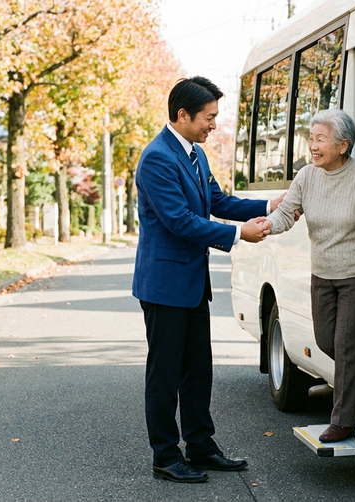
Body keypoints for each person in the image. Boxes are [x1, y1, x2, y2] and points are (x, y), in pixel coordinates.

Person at [133, 76, 282, 483]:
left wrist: (270, 203)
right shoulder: (158, 158)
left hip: (192, 283)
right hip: (164, 286)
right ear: (182, 115)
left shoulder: (194, 153)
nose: (213, 125)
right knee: (164, 375)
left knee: (198, 371)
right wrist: (238, 234)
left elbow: (217, 201)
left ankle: (200, 445)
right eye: (208, 117)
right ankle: (166, 455)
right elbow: (180, 221)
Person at [266, 109, 355, 444]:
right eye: (311, 138)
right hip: (322, 274)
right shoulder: (306, 177)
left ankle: (344, 419)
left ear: (343, 146)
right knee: (326, 340)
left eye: (320, 139)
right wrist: (262, 228)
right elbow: (287, 214)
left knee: (345, 345)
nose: (312, 146)